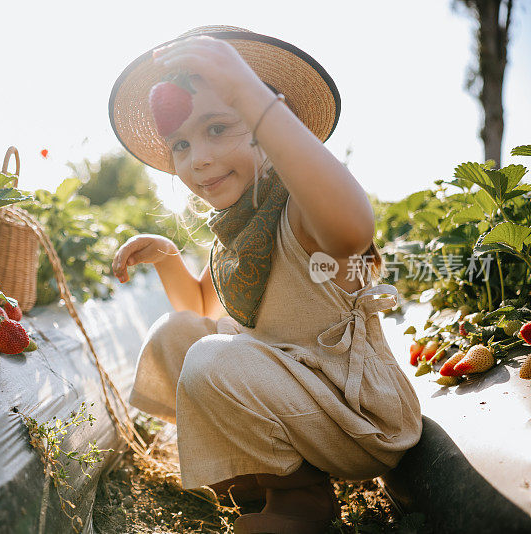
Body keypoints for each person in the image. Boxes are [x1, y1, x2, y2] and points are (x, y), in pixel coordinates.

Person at [108, 26, 423, 534]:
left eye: (218, 127)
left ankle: (303, 501)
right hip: (296, 406)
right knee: (176, 336)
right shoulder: (239, 236)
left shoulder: (301, 214)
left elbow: (354, 226)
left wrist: (251, 95)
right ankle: (255, 477)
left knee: (212, 358)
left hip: (358, 417)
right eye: (181, 144)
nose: (199, 159)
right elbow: (201, 308)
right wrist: (168, 258)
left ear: (268, 123)